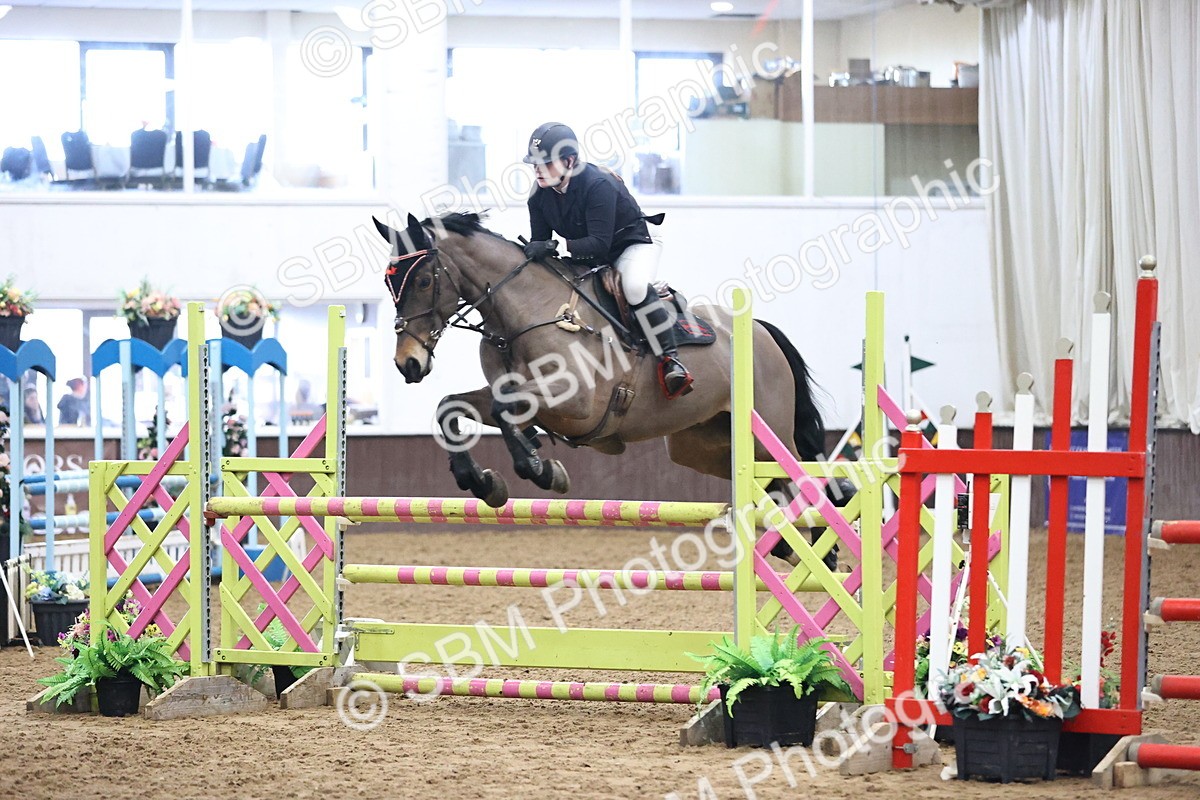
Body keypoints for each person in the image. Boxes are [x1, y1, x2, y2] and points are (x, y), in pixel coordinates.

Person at [521, 122, 693, 399]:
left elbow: (599, 243)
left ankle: (670, 359)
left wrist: (556, 245)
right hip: (593, 250)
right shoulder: (539, 195)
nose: (538, 170)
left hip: (633, 241)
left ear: (569, 161)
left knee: (633, 287)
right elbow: (541, 243)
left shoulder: (597, 184)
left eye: (546, 163)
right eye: (534, 164)